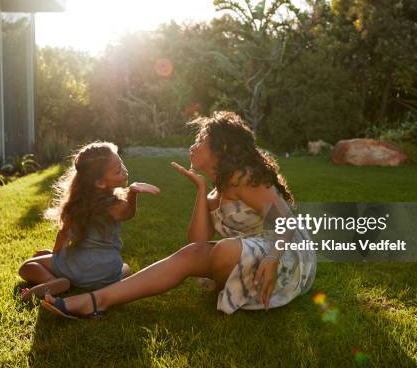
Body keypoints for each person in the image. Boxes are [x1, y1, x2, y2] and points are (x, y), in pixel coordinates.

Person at [41, 112, 316, 318]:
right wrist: (200, 190)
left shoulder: (243, 177)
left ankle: (247, 285)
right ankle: (96, 301)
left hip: (286, 255)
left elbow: (287, 219)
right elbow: (197, 241)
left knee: (223, 251)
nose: (193, 146)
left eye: (201, 140)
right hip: (248, 252)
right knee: (191, 254)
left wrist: (272, 257)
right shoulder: (216, 192)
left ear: (220, 149)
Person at [18, 141, 160, 301]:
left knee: (27, 266)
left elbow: (63, 235)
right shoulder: (115, 205)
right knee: (124, 267)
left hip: (78, 268)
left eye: (122, 165)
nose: (125, 173)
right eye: (118, 170)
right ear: (100, 182)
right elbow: (129, 213)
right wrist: (132, 194)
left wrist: (55, 258)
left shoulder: (75, 206)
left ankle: (53, 281)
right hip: (108, 272)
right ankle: (105, 282)